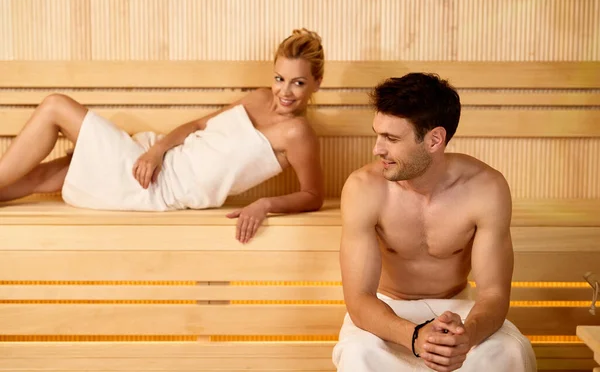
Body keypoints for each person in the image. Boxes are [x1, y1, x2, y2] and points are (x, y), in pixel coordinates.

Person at [0, 28, 325, 243]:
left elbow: (313, 195)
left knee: (56, 106)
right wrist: (157, 151)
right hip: (151, 158)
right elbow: (197, 126)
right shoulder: (257, 98)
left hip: (159, 189)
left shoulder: (298, 133)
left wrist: (264, 204)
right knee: (44, 175)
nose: (285, 91)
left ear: (316, 83)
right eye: (280, 78)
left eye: (298, 82)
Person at [332, 73, 537, 371]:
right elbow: (359, 298)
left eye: (391, 138)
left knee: (511, 352)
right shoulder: (363, 188)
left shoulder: (485, 188)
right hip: (386, 310)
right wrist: (415, 336)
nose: (377, 149)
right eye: (378, 134)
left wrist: (467, 336)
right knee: (358, 354)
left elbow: (493, 293)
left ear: (434, 140)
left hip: (460, 309)